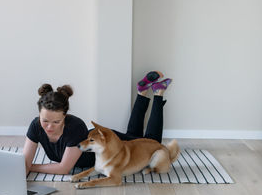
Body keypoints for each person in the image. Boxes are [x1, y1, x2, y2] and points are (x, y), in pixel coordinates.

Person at [22, 71, 172, 175]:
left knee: (153, 144)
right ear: (39, 115)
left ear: (65, 116)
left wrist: (30, 167)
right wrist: (24, 167)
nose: (49, 126)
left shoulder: (75, 127)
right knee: (134, 136)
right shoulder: (35, 126)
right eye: (45, 121)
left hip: (107, 143)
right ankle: (142, 91)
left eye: (56, 122)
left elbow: (63, 168)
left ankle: (158, 93)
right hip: (104, 146)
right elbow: (24, 163)